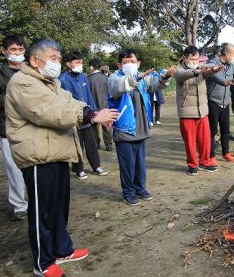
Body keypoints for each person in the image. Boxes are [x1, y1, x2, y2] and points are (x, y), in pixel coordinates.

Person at [5, 38, 119, 277]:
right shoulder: (23, 82)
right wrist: (89, 117)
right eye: (53, 59)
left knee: (58, 209)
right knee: (42, 213)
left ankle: (61, 249)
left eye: (58, 58)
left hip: (57, 153)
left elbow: (72, 101)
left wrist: (93, 111)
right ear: (36, 61)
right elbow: (50, 112)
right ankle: (43, 263)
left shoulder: (52, 83)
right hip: (37, 157)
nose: (57, 63)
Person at [108, 49, 174, 206]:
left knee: (140, 163)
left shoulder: (144, 79)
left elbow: (157, 82)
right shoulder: (114, 78)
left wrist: (166, 76)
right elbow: (119, 86)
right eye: (125, 62)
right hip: (124, 129)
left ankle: (140, 188)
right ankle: (128, 192)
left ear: (138, 63)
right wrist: (138, 76)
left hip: (141, 127)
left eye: (132, 62)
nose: (129, 64)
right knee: (127, 164)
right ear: (119, 65)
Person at [0, 34, 28, 221]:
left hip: (32, 126)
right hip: (8, 128)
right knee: (14, 170)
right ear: (4, 51)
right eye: (13, 50)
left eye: (20, 49)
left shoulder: (31, 70)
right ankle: (19, 205)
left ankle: (37, 200)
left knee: (36, 168)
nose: (17, 53)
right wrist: (11, 96)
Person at [174, 46, 223, 176]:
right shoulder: (179, 70)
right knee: (190, 142)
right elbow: (181, 76)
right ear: (185, 58)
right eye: (192, 58)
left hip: (202, 111)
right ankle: (192, 165)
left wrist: (214, 70)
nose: (195, 61)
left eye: (196, 58)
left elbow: (206, 72)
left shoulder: (201, 67)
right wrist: (196, 71)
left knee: (205, 140)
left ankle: (205, 162)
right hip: (187, 112)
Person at [59, 52, 108, 179]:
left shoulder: (83, 77)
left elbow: (89, 96)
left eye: (81, 62)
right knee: (77, 144)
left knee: (91, 143)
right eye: (77, 62)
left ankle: (96, 166)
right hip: (74, 117)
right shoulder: (63, 79)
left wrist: (94, 111)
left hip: (87, 115)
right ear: (69, 64)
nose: (80, 65)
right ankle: (79, 169)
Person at [88, 58, 113, 151]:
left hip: (93, 105)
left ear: (91, 67)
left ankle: (96, 143)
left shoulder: (88, 78)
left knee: (94, 126)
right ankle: (109, 144)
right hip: (105, 104)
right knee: (106, 125)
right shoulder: (106, 78)